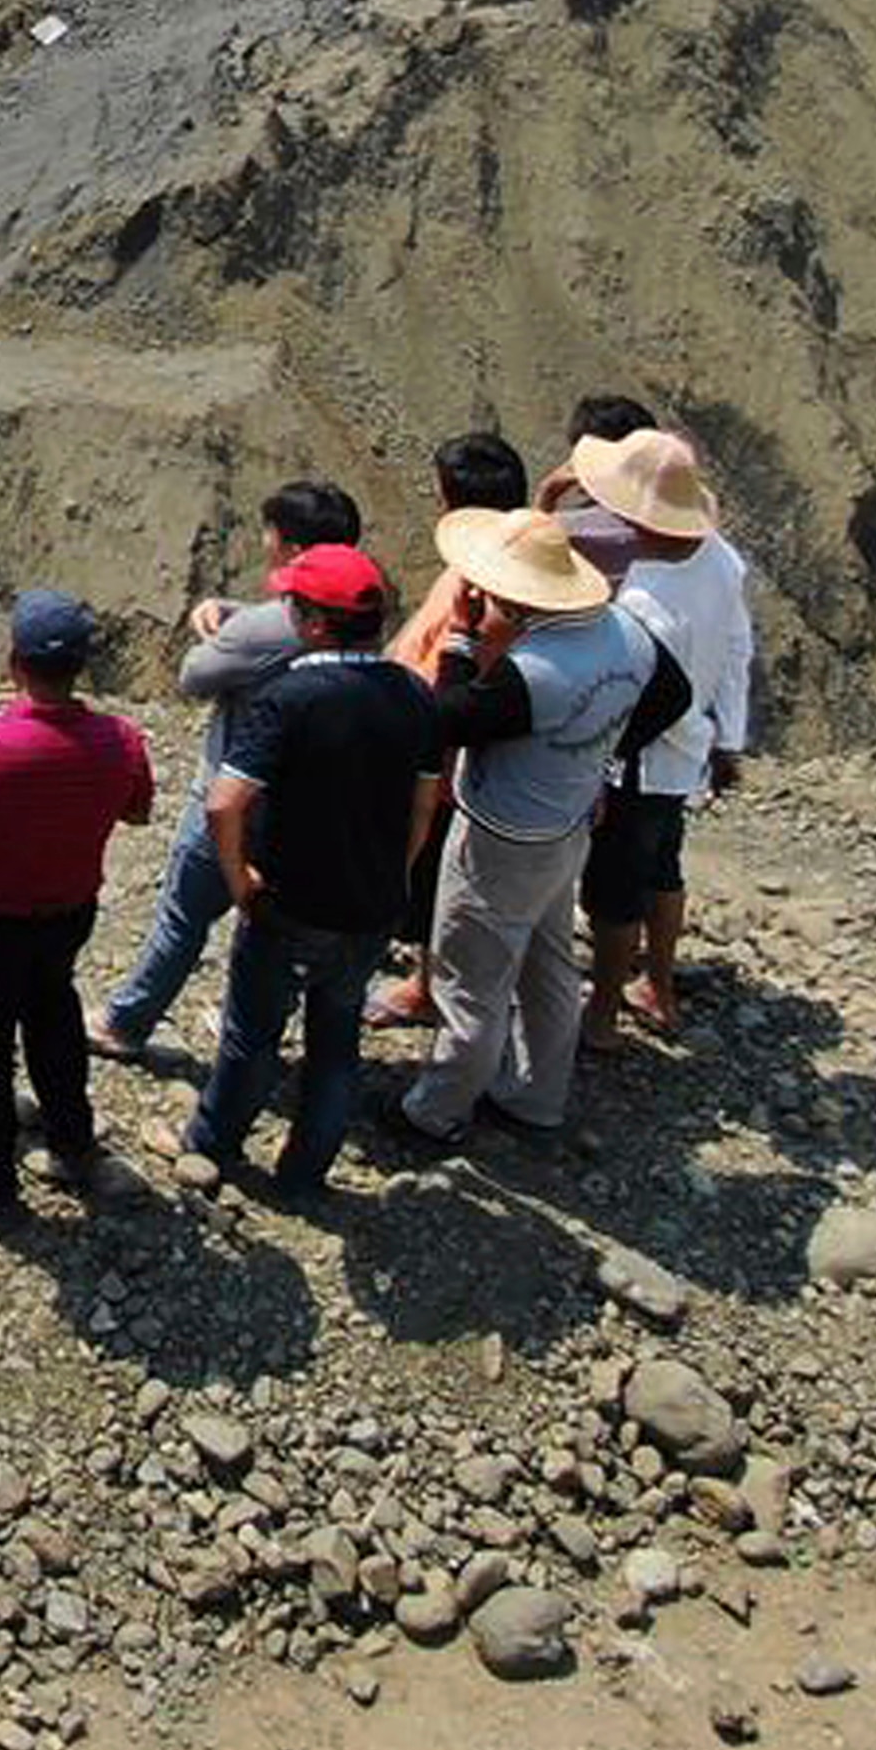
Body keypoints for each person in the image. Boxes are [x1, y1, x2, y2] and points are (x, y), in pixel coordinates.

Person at [176, 556, 436, 1200]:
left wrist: (240, 884)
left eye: (294, 607)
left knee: (252, 1034)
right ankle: (304, 1172)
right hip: (372, 905)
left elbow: (224, 802)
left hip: (290, 903)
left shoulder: (289, 697)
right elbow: (427, 801)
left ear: (317, 624)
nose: (287, 615)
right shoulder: (413, 694)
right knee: (336, 1037)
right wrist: (394, 872)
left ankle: (212, 1145)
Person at [395, 508, 647, 1149]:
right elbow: (666, 700)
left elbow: (444, 718)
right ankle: (539, 1097)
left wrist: (459, 641)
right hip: (567, 824)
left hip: (499, 836)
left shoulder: (532, 672)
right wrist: (599, 763)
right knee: (550, 964)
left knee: (470, 981)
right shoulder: (629, 634)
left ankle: (439, 1109)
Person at [0, 593, 154, 1219]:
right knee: (54, 1018)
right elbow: (138, 811)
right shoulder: (120, 740)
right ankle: (73, 1145)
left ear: (14, 663)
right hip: (67, 913)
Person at [95, 478, 367, 1064]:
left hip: (235, 789)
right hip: (309, 796)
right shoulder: (362, 608)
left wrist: (224, 628)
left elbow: (195, 675)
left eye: (270, 533)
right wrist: (235, 615)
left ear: (292, 548)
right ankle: (255, 1018)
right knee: (273, 918)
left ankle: (127, 1020)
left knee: (186, 912)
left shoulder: (264, 628)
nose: (263, 541)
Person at [569, 426, 757, 1036]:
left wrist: (594, 768)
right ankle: (660, 984)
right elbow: (737, 647)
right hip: (690, 750)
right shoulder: (722, 560)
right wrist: (728, 738)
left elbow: (626, 704)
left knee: (613, 890)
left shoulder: (643, 602)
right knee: (664, 868)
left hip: (640, 763)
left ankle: (600, 1014)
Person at [371, 434, 530, 1032]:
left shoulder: (492, 590)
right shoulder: (486, 562)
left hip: (437, 753)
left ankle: (429, 986)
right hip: (421, 736)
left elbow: (460, 674)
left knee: (431, 875)